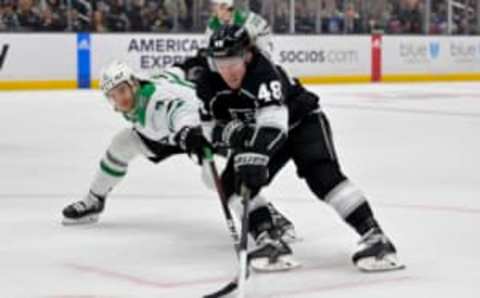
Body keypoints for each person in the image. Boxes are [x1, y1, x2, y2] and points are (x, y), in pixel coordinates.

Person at [196, 24, 404, 272]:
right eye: (221, 64)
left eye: (233, 62)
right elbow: (209, 128)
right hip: (261, 130)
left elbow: (274, 125)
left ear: (248, 55)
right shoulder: (207, 83)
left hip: (302, 122)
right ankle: (269, 238)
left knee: (322, 176)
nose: (227, 71)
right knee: (232, 184)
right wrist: (229, 134)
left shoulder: (264, 73)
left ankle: (376, 237)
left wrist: (256, 154)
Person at [61, 61, 296, 244]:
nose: (120, 98)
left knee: (213, 178)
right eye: (113, 95)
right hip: (163, 134)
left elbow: (178, 112)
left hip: (199, 126)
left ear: (133, 84)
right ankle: (94, 201)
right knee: (122, 144)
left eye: (122, 90)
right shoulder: (146, 91)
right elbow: (177, 72)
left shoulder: (157, 102)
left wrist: (187, 133)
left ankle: (266, 216)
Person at [206, 0, 273, 59]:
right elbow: (209, 46)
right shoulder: (212, 24)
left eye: (215, 5)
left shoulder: (246, 18)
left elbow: (265, 29)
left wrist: (258, 50)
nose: (212, 9)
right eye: (213, 6)